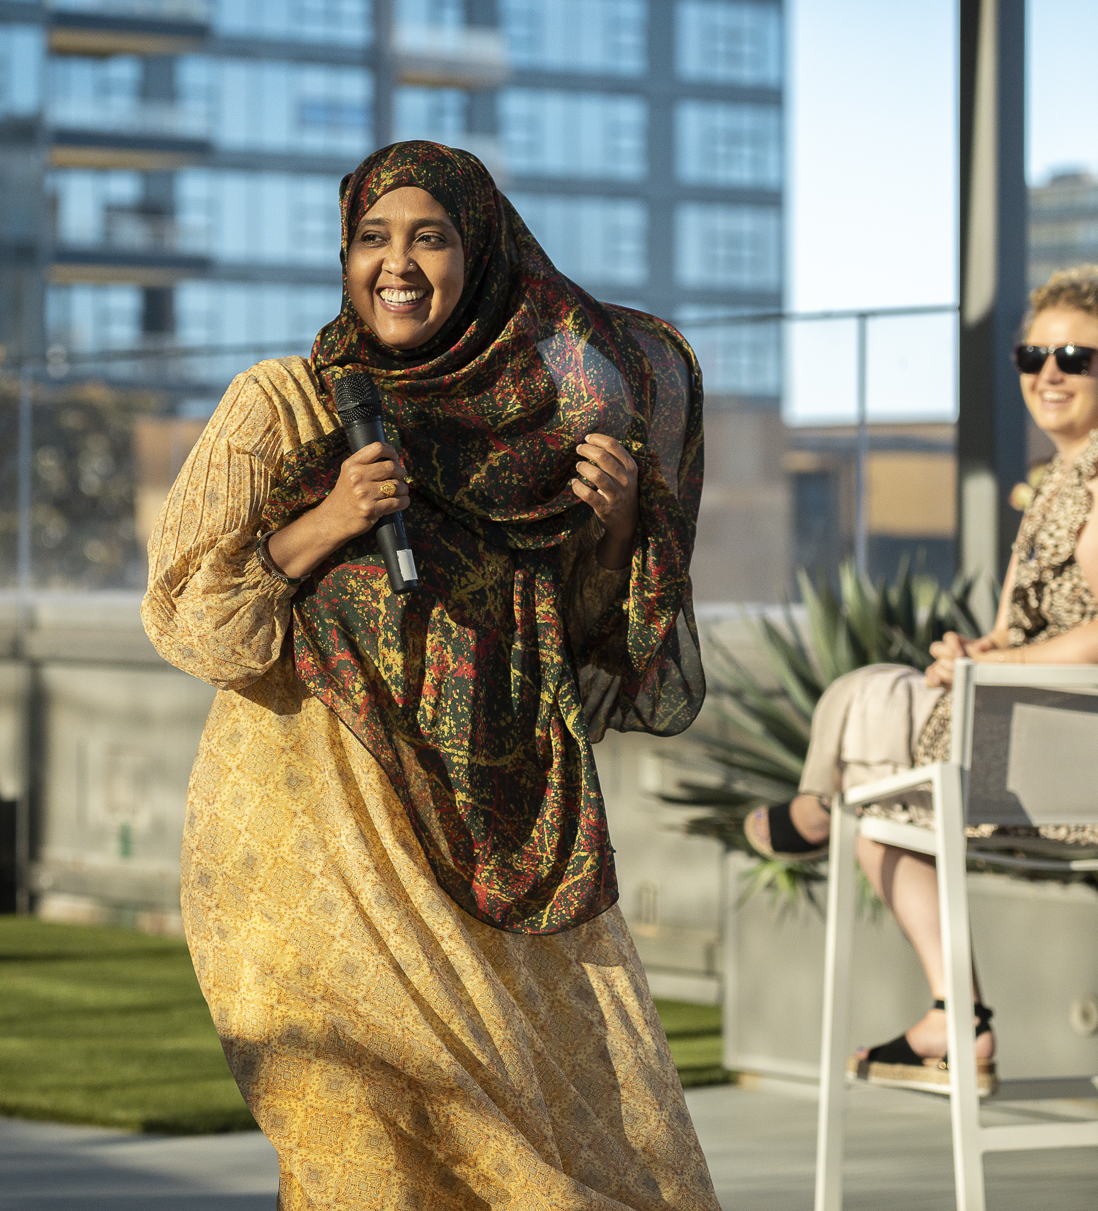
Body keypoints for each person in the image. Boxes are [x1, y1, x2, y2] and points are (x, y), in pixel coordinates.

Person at [143, 141, 718, 1208]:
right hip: (305, 831)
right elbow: (195, 624)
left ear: (482, 257)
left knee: (515, 1148)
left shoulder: (533, 442)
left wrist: (613, 529)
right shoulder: (281, 408)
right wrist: (326, 521)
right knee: (357, 1142)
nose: (395, 264)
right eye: (371, 237)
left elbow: (586, 659)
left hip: (483, 830)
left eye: (429, 237)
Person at [744, 265, 1098, 1095]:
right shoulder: (1088, 475)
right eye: (1032, 354)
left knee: (870, 711)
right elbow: (1083, 623)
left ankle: (826, 816)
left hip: (1096, 768)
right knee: (882, 766)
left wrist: (993, 664)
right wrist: (987, 648)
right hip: (1075, 743)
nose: (1048, 371)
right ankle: (954, 1013)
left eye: (1074, 357)